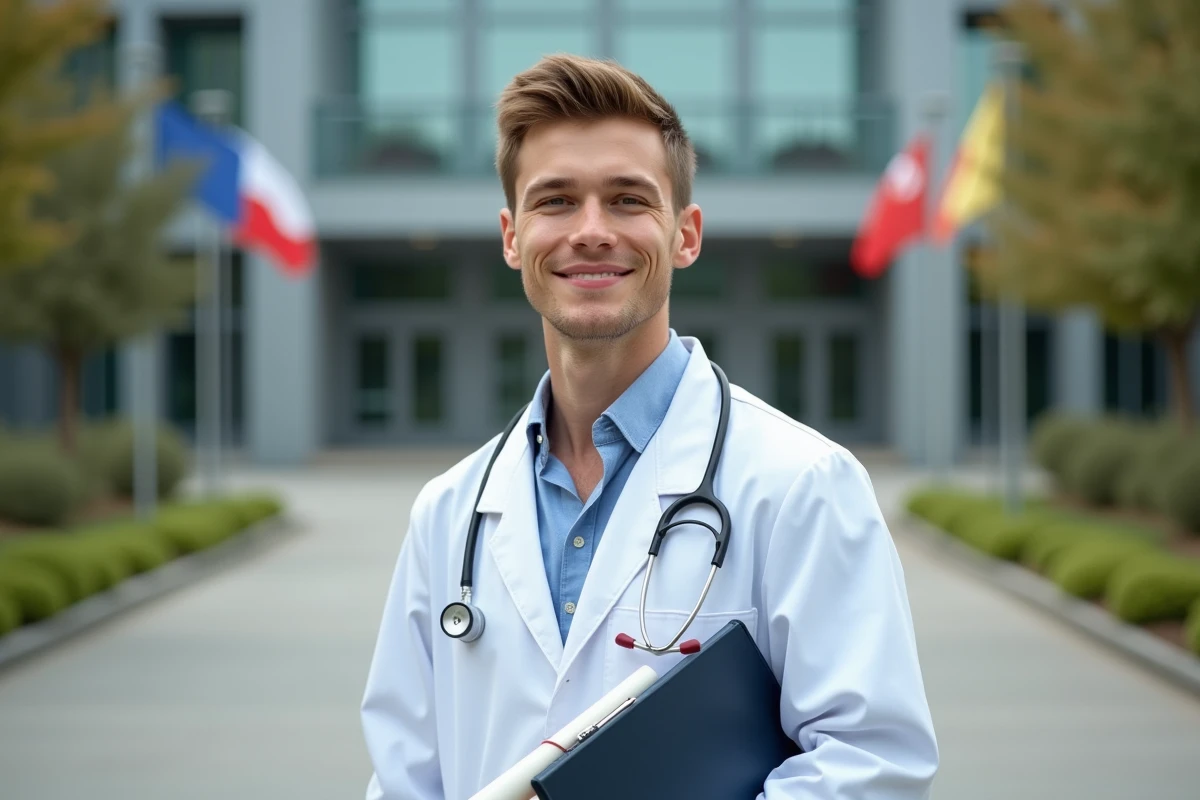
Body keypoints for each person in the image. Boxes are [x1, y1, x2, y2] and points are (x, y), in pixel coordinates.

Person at [360, 54, 938, 799]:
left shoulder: (800, 485)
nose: (592, 231)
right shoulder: (449, 511)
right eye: (556, 201)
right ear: (512, 237)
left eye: (628, 200)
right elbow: (405, 775)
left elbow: (873, 765)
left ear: (686, 234)